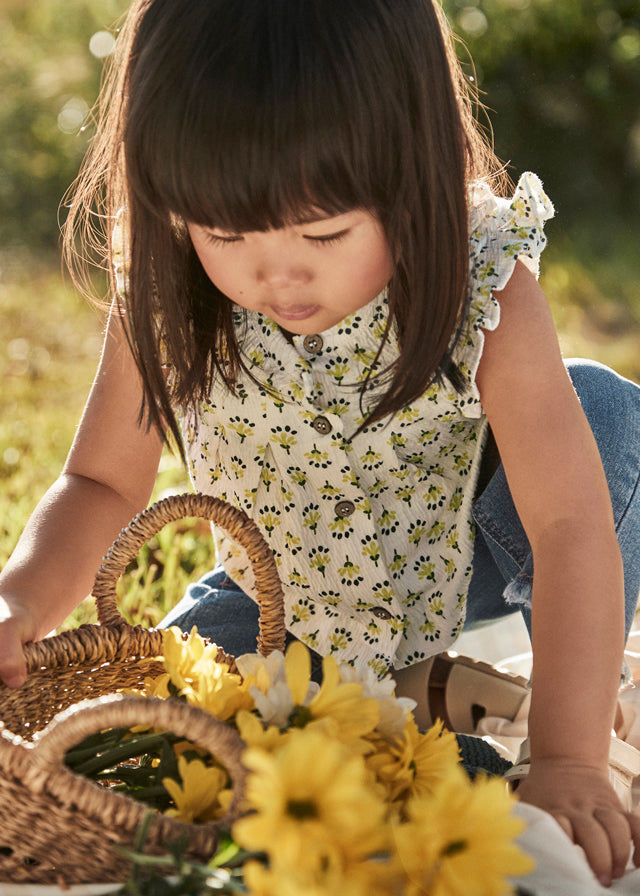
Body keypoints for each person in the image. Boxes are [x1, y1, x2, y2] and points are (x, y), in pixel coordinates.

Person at [1, 0, 640, 884]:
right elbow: (101, 484)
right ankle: (438, 719)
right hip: (272, 608)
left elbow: (569, 525)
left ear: (412, 176)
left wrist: (568, 760)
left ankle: (564, 716)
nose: (278, 273)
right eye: (225, 233)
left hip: (467, 566)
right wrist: (21, 602)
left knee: (602, 415)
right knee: (168, 745)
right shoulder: (167, 287)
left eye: (326, 232)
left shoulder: (480, 275)